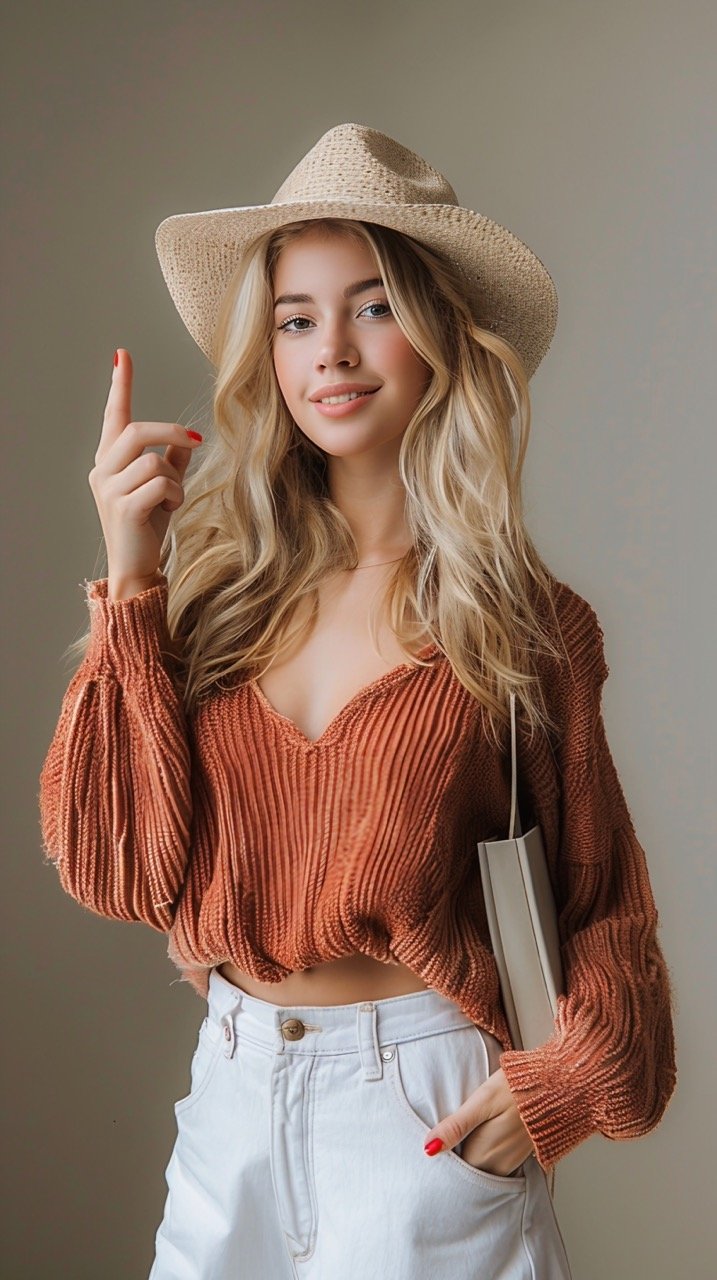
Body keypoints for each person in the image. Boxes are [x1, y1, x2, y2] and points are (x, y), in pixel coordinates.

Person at [38, 123, 677, 1279]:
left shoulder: (524, 624)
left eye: (373, 305)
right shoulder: (219, 603)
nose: (330, 349)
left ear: (437, 333)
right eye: (295, 317)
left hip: (423, 1117)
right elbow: (115, 869)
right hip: (232, 1099)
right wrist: (130, 578)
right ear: (269, 352)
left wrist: (566, 1086)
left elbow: (607, 903)